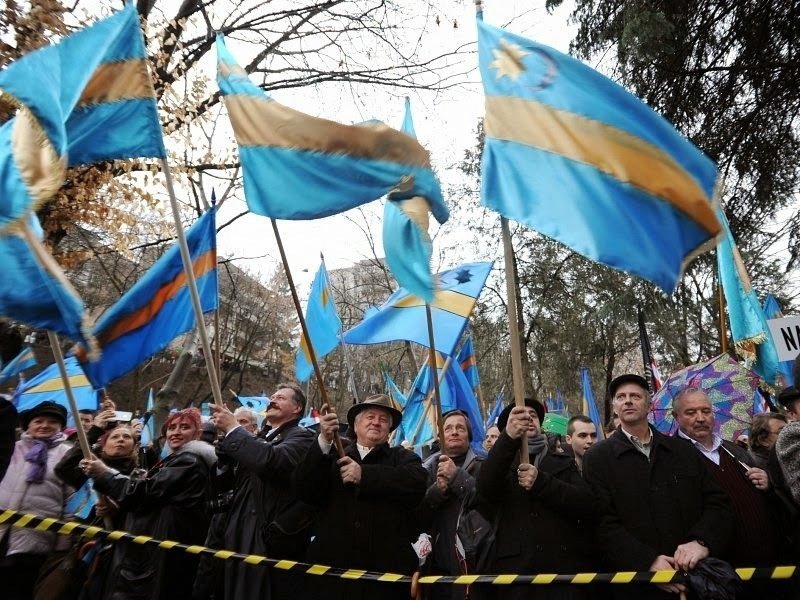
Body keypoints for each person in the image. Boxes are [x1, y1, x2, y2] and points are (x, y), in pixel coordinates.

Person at [583, 374, 733, 599]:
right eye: (621, 397)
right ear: (614, 407)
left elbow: (717, 503)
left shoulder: (683, 450)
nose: (628, 401)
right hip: (638, 585)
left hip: (695, 578)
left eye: (635, 396)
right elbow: (601, 521)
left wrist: (701, 542)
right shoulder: (597, 458)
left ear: (649, 404)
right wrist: (647, 562)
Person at [295, 394, 427, 600]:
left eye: (383, 420)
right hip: (332, 576)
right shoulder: (332, 456)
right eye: (370, 417)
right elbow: (304, 489)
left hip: (384, 579)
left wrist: (364, 475)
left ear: (390, 429)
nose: (376, 422)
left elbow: (416, 484)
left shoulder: (404, 458)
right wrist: (323, 441)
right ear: (355, 426)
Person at [81, 407, 216, 599]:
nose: (176, 432)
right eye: (172, 428)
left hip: (160, 557)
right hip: (154, 554)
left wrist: (103, 473)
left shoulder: (189, 461)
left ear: (198, 433)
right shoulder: (178, 460)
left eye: (185, 427)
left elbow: (142, 494)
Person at [475, 398, 595, 600]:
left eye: (533, 415)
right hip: (515, 575)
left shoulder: (563, 462)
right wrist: (508, 439)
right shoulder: (500, 464)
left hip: (561, 573)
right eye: (519, 416)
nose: (528, 418)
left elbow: (585, 503)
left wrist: (542, 482)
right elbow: (484, 489)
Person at [672, 387, 784, 597]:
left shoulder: (734, 450)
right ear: (676, 416)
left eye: (706, 411)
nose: (700, 418)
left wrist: (768, 484)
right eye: (691, 412)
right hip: (722, 577)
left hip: (768, 567)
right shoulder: (673, 458)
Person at [209, 384, 315, 600]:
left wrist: (234, 429)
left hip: (265, 539)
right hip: (238, 530)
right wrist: (225, 459)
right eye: (272, 396)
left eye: (281, 398)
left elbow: (272, 461)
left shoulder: (303, 437)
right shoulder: (261, 438)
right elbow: (228, 484)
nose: (273, 400)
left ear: (297, 408)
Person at [56, 422, 141, 599]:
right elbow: (63, 468)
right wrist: (94, 431)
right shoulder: (90, 470)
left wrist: (116, 509)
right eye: (115, 436)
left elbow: (140, 507)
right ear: (104, 445)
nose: (120, 440)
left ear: (134, 447)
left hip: (118, 554)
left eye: (126, 437)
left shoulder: (139, 476)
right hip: (82, 549)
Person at [0, 401, 74, 600]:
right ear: (28, 425)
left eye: (52, 422)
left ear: (61, 427)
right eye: (38, 421)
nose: (44, 425)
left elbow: (72, 503)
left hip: (37, 541)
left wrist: (62, 547)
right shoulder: (11, 448)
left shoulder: (68, 455)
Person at [418, 410, 484, 600]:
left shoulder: (483, 465)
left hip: (475, 565)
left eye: (460, 428)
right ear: (440, 437)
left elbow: (486, 502)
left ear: (468, 436)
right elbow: (418, 513)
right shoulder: (425, 469)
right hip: (437, 568)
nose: (454, 432)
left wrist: (457, 477)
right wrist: (437, 490)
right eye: (448, 428)